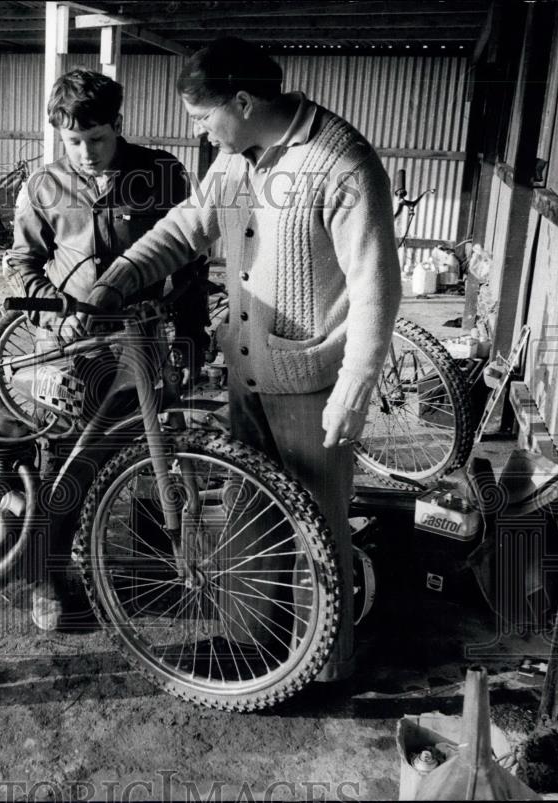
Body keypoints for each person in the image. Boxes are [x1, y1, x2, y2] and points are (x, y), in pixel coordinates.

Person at [87, 38, 401, 681]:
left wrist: (354, 388)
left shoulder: (341, 163)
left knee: (317, 524)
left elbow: (376, 288)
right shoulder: (236, 162)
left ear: (243, 99)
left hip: (312, 386)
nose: (197, 130)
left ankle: (322, 669)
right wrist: (119, 275)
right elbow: (188, 226)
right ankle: (251, 644)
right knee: (250, 511)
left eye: (203, 117)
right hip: (246, 371)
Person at [4, 69, 207, 631]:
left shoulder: (161, 173)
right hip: (71, 351)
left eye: (98, 138)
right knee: (69, 459)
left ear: (119, 124)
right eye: (74, 142)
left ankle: (154, 568)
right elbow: (21, 268)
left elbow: (190, 264)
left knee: (152, 449)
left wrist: (194, 335)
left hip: (145, 340)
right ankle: (45, 579)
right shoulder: (44, 187)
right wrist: (58, 310)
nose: (87, 153)